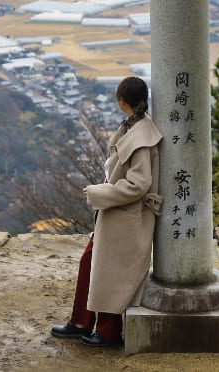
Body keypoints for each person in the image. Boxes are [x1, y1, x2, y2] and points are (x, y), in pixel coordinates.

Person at [50, 76, 162, 349]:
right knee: (92, 262)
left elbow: (138, 185)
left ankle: (108, 333)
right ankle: (82, 322)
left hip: (128, 216)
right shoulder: (134, 127)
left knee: (114, 272)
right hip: (118, 213)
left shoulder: (141, 136)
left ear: (121, 100)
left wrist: (99, 192)